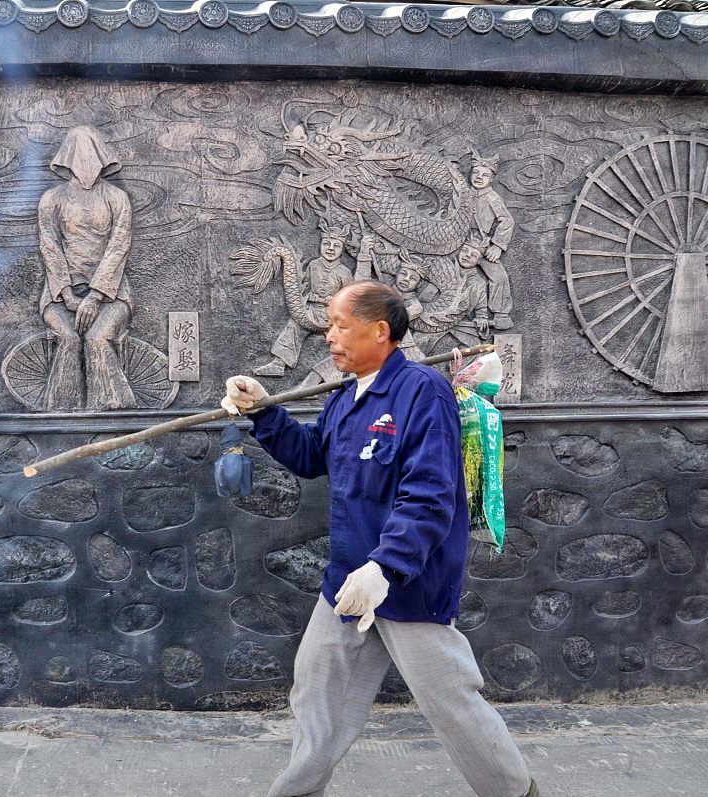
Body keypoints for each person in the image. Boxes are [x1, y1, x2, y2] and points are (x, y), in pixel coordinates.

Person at [221, 280, 537, 797]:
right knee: (317, 692)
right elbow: (310, 457)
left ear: (380, 330)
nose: (329, 337)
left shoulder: (420, 391)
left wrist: (385, 567)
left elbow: (432, 494)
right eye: (329, 326)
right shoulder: (346, 400)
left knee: (451, 703)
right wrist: (263, 413)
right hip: (348, 580)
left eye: (340, 326)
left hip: (406, 582)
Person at [37, 126, 135, 410]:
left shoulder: (117, 198)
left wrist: (94, 296)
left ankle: (111, 408)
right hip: (59, 295)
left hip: (112, 294)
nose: (86, 165)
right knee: (68, 338)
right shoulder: (51, 199)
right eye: (79, 156)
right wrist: (67, 294)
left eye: (91, 156)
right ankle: (62, 410)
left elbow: (119, 246)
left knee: (96, 339)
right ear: (66, 158)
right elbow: (50, 246)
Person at [254, 218, 356, 378]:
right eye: (326, 244)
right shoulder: (313, 265)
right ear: (320, 245)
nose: (330, 248)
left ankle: (342, 373)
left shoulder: (344, 272)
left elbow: (349, 298)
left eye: (336, 246)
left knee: (344, 340)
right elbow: (305, 287)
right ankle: (278, 364)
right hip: (312, 311)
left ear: (342, 250)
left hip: (333, 317)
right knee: (293, 326)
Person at [470, 155, 514, 331]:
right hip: (457, 241)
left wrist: (497, 245)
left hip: (480, 243)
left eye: (485, 174)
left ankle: (500, 313)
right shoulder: (462, 193)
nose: (479, 177)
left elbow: (507, 221)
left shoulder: (492, 198)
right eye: (476, 173)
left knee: (499, 277)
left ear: (491, 178)